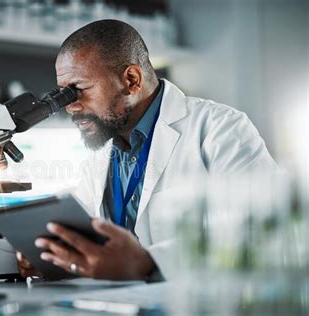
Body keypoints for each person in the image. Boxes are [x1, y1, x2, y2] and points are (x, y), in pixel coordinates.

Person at [17, 19, 277, 281]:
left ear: (131, 80)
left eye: (79, 90)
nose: (70, 106)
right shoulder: (102, 150)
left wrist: (149, 262)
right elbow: (87, 234)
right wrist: (53, 254)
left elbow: (265, 229)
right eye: (64, 94)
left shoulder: (220, 128)